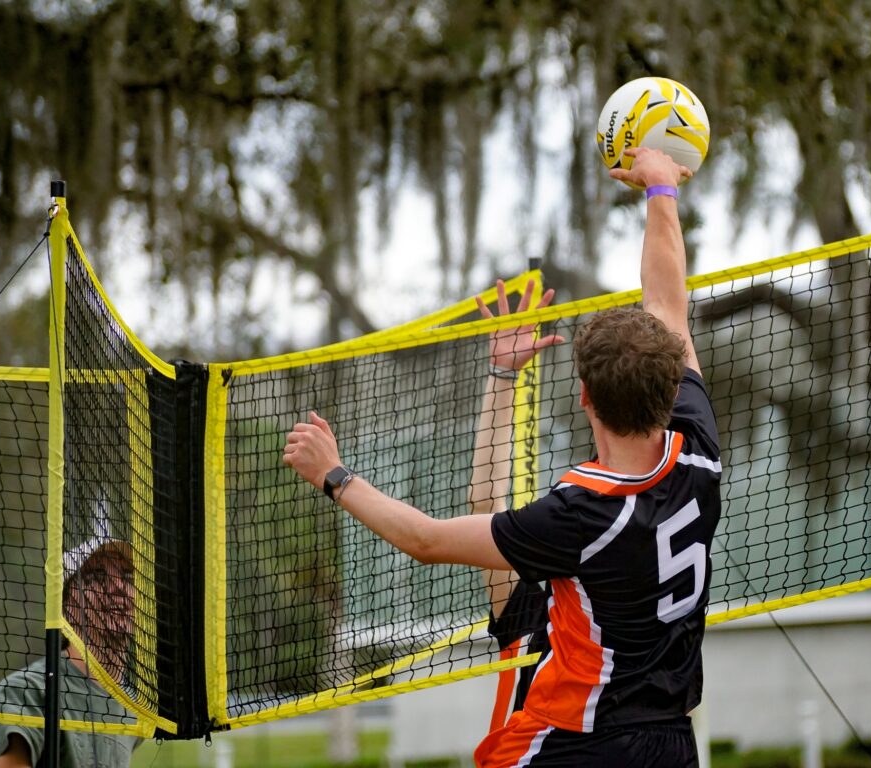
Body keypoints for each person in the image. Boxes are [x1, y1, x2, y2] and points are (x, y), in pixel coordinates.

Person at [283, 146, 721, 767]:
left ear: (584, 397)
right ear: (672, 391)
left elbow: (430, 540)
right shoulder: (698, 459)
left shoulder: (581, 519)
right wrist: (662, 192)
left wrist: (333, 474)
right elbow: (668, 306)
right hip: (673, 744)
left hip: (579, 747)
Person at [0, 537, 141, 768]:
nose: (118, 587)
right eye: (97, 577)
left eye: (128, 577)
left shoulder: (135, 705)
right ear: (66, 606)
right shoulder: (27, 690)